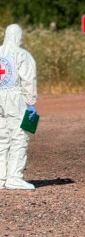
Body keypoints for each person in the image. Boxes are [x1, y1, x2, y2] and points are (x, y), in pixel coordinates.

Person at [0, 24, 37, 190]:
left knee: (2, 139)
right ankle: (14, 177)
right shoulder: (22, 55)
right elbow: (28, 80)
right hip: (15, 98)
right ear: (18, 36)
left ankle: (1, 178)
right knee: (19, 136)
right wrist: (31, 102)